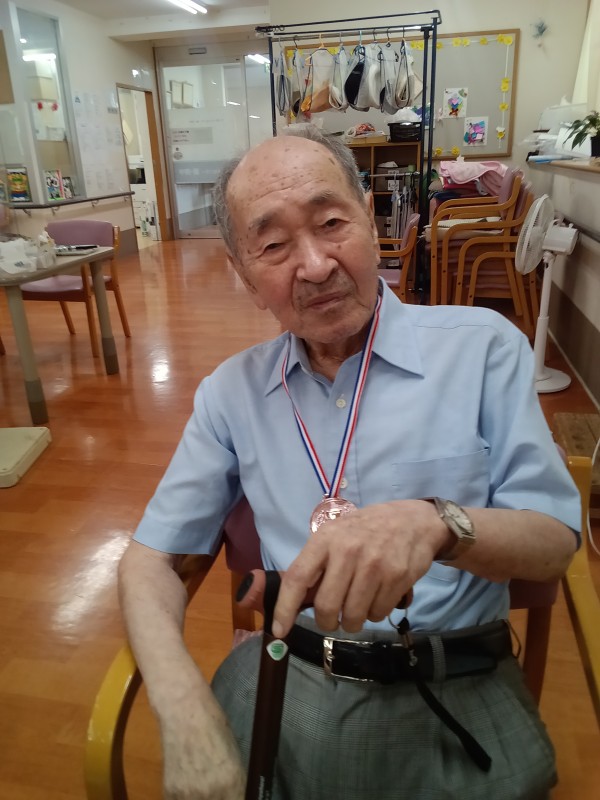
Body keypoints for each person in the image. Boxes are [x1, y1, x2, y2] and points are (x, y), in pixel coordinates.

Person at [118, 126, 580, 800]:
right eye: (273, 245)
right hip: (290, 671)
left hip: (456, 679)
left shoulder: (484, 349)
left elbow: (554, 545)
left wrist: (439, 525)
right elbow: (147, 562)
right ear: (245, 277)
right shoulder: (229, 394)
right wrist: (183, 709)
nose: (313, 265)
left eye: (331, 223)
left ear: (371, 220)